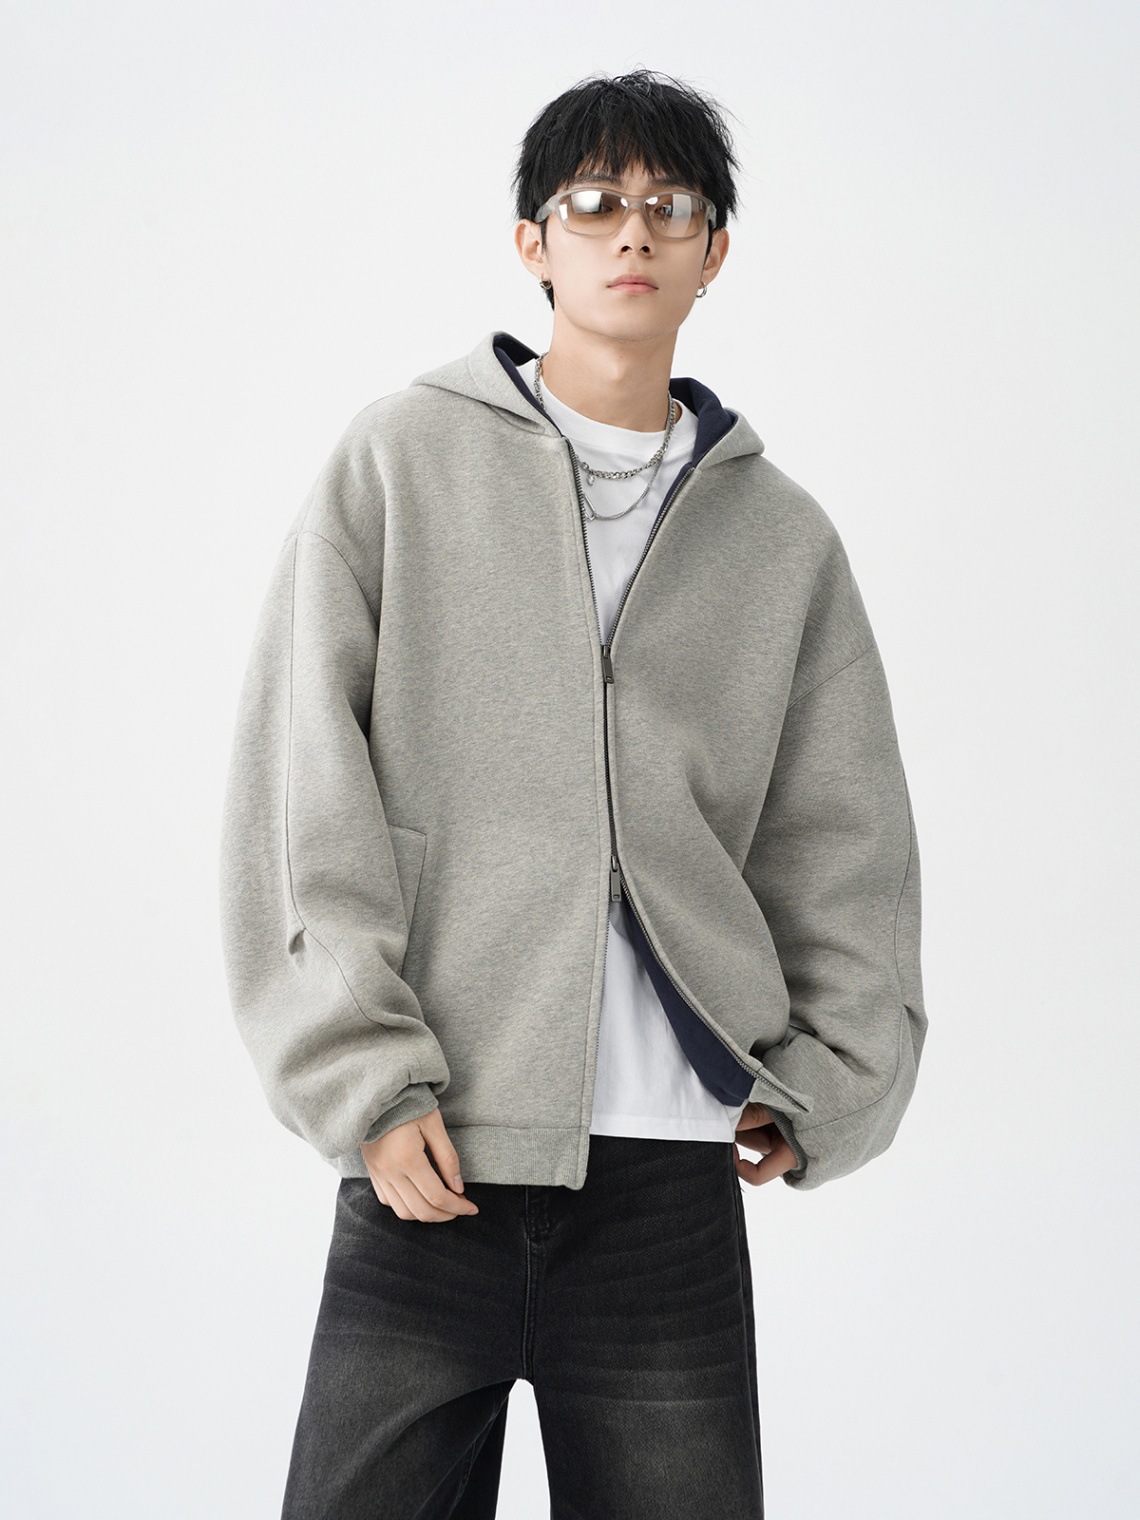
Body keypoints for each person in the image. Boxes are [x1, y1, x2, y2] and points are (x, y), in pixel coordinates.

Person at [219, 67, 928, 1520]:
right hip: (433, 1151)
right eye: (595, 203)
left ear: (715, 252)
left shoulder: (781, 538)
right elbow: (303, 786)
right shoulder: (400, 463)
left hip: (668, 1189)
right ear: (532, 242)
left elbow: (844, 831)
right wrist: (362, 1077)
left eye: (670, 207)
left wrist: (839, 1075)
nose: (633, 232)